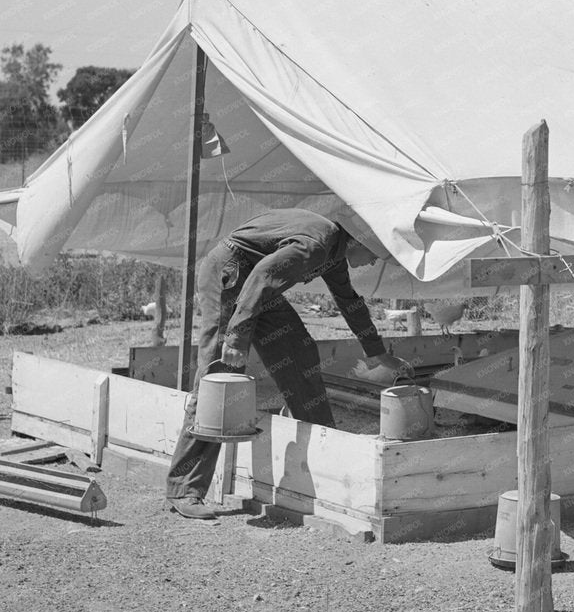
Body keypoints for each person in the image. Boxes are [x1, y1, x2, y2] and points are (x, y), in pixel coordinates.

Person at [165, 208, 410, 520]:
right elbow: (263, 275)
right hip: (230, 275)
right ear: (358, 242)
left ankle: (324, 450)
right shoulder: (317, 245)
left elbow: (349, 301)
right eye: (376, 255)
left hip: (255, 285)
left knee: (298, 350)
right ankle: (184, 488)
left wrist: (377, 353)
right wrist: (237, 337)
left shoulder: (333, 253)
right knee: (220, 380)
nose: (375, 262)